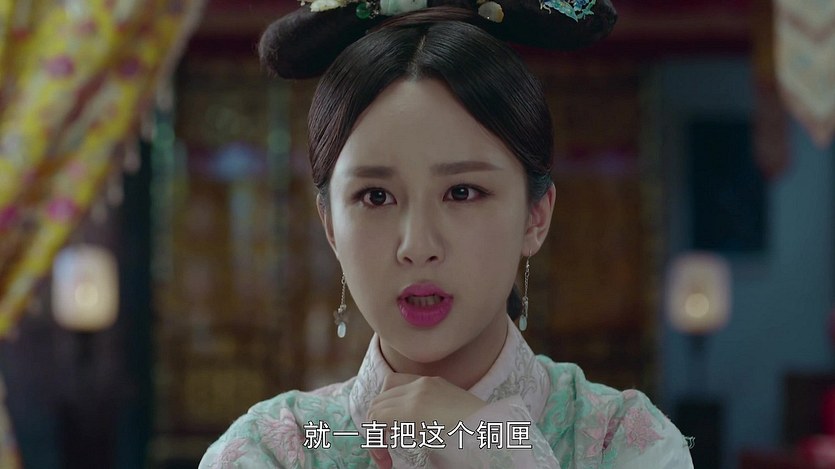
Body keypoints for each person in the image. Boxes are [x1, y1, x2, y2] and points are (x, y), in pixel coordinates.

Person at [201, 2, 694, 468]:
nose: (418, 247)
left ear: (535, 218)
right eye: (376, 196)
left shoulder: (620, 441)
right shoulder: (275, 450)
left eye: (462, 192)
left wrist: (497, 452)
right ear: (330, 225)